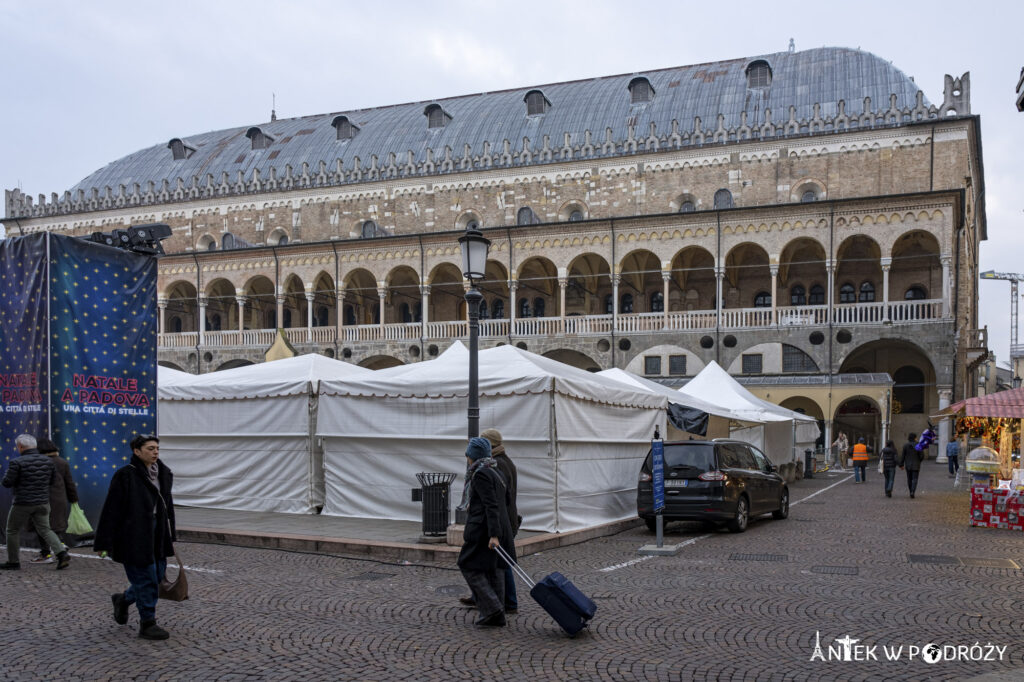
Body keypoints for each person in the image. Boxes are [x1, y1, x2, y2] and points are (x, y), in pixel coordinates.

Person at [94, 435, 176, 640]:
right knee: (146, 578)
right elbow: (111, 509)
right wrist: (104, 541)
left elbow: (168, 505)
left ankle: (123, 599)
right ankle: (147, 623)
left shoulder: (164, 473)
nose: (155, 452)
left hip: (157, 533)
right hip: (134, 534)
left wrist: (170, 532)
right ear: (137, 452)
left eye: (157, 448)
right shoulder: (125, 475)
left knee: (157, 576)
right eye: (150, 448)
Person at [456, 437, 515, 627]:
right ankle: (496, 614)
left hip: (483, 530)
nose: (467, 459)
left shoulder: (481, 474)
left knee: (468, 565)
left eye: (468, 455)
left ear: (474, 456)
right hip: (498, 527)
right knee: (493, 567)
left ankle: (493, 608)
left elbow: (491, 506)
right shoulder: (496, 471)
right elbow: (503, 502)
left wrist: (494, 535)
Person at [1, 434, 71, 570]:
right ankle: (61, 554)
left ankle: (13, 562)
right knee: (45, 529)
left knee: (12, 530)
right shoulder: (49, 461)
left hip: (22, 503)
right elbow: (52, 481)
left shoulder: (16, 462)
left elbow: (7, 482)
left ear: (20, 447)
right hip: (43, 502)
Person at [27, 437, 79, 564]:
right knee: (56, 526)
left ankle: (46, 554)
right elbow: (69, 483)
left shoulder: (37, 462)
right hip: (59, 499)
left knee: (41, 526)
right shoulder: (62, 462)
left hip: (41, 498)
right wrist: (74, 500)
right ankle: (60, 546)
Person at [898, 432, 923, 498]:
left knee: (909, 479)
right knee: (915, 479)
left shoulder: (905, 445)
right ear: (915, 438)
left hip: (908, 465)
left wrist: (901, 464)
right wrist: (919, 461)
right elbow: (921, 455)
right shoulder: (918, 445)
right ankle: (912, 491)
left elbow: (903, 456)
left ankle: (910, 491)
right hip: (916, 464)